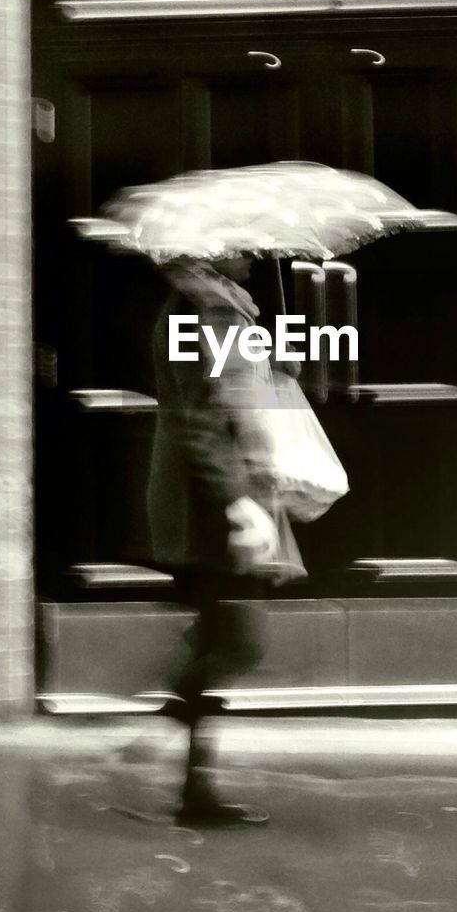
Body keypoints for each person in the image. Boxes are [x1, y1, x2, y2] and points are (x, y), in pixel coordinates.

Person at [146, 255, 298, 826]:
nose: (253, 254)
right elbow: (199, 420)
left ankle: (194, 787)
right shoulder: (194, 310)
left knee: (220, 634)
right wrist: (238, 502)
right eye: (241, 244)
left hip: (224, 499)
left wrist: (274, 366)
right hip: (207, 507)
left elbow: (236, 394)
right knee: (239, 642)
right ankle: (174, 704)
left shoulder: (224, 309)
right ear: (212, 249)